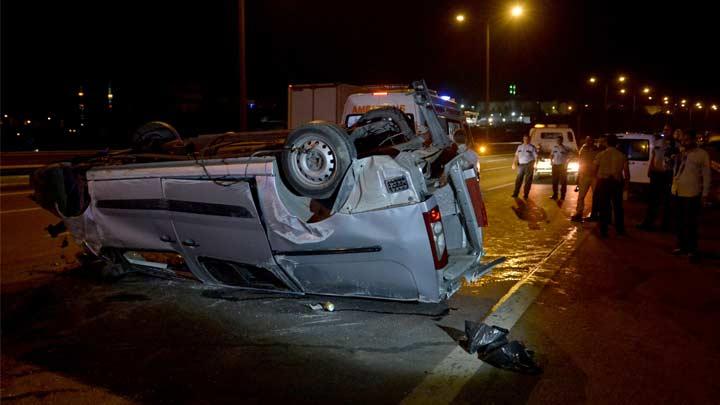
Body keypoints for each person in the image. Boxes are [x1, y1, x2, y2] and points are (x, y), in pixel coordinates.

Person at [671, 129, 711, 261]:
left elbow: (706, 175)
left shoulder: (702, 154)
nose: (684, 142)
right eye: (683, 140)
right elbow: (676, 170)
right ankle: (682, 246)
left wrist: (704, 194)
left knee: (691, 222)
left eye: (687, 140)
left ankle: (692, 249)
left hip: (692, 192)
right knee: (679, 221)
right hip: (678, 191)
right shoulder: (681, 153)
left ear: (694, 140)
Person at [638, 125, 674, 231]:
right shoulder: (658, 142)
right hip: (656, 174)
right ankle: (648, 223)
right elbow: (653, 156)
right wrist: (650, 169)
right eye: (664, 129)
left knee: (667, 202)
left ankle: (665, 225)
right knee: (653, 200)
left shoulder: (675, 144)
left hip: (667, 175)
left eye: (667, 130)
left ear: (672, 131)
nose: (665, 131)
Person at [593, 134, 630, 237]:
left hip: (603, 182)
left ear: (606, 143)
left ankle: (603, 230)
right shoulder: (622, 156)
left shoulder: (600, 155)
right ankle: (620, 229)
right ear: (616, 143)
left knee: (603, 206)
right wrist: (626, 185)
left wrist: (598, 178)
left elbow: (594, 169)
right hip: (616, 182)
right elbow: (626, 173)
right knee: (618, 206)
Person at [571, 135, 599, 222]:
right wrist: (579, 176)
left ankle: (595, 213)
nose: (588, 142)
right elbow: (580, 162)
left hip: (595, 176)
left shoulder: (597, 150)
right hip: (585, 175)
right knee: (581, 196)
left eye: (590, 140)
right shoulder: (583, 150)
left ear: (593, 141)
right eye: (587, 140)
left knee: (596, 196)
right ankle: (579, 212)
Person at [511, 135, 538, 199]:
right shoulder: (519, 147)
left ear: (529, 139)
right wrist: (513, 163)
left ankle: (526, 194)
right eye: (525, 139)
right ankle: (515, 193)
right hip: (521, 165)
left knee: (528, 180)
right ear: (523, 139)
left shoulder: (532, 147)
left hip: (529, 165)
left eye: (527, 139)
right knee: (518, 180)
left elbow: (536, 156)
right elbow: (516, 156)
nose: (526, 140)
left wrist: (535, 164)